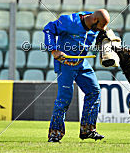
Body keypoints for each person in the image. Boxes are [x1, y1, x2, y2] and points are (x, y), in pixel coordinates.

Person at [43, 9, 110, 142]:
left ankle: (88, 130)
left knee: (94, 91)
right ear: (95, 20)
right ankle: (55, 134)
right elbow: (49, 28)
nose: (98, 31)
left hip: (81, 62)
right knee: (64, 98)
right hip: (65, 64)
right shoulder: (69, 21)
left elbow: (105, 34)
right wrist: (54, 50)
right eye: (99, 27)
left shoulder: (95, 22)